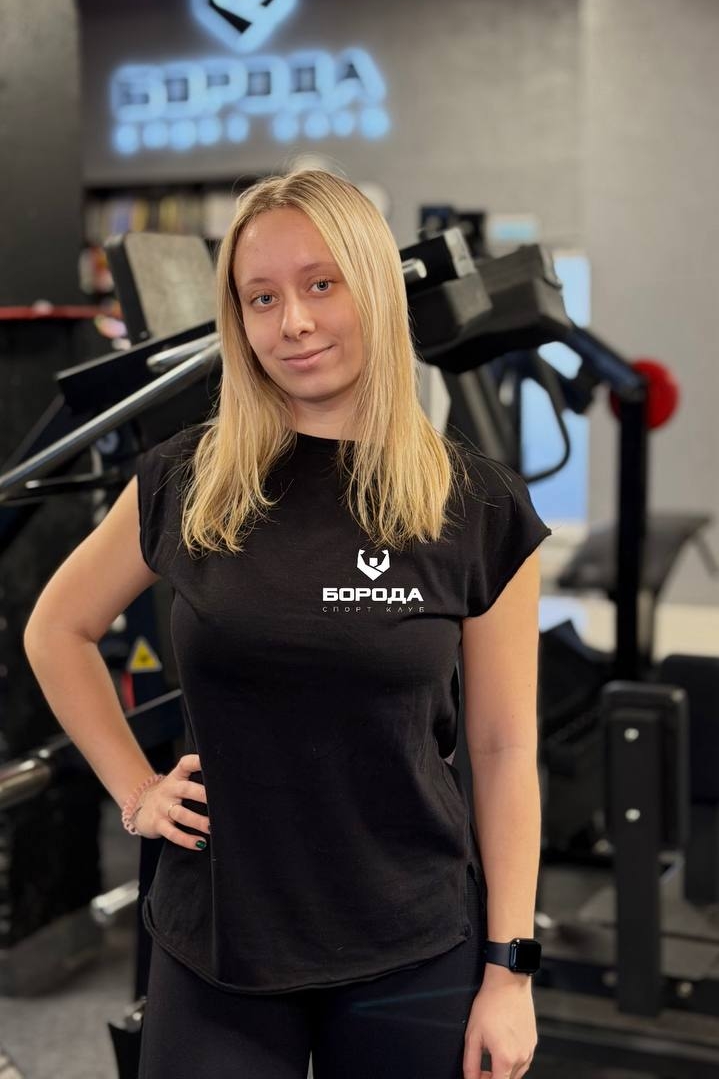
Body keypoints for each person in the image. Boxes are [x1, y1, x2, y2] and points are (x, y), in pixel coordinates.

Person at [23, 169, 551, 1079]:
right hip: (218, 937)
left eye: (320, 284)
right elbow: (55, 630)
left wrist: (509, 974)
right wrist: (135, 791)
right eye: (261, 298)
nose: (293, 322)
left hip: (410, 939)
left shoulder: (476, 505)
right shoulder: (186, 480)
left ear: (373, 288)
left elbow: (503, 750)